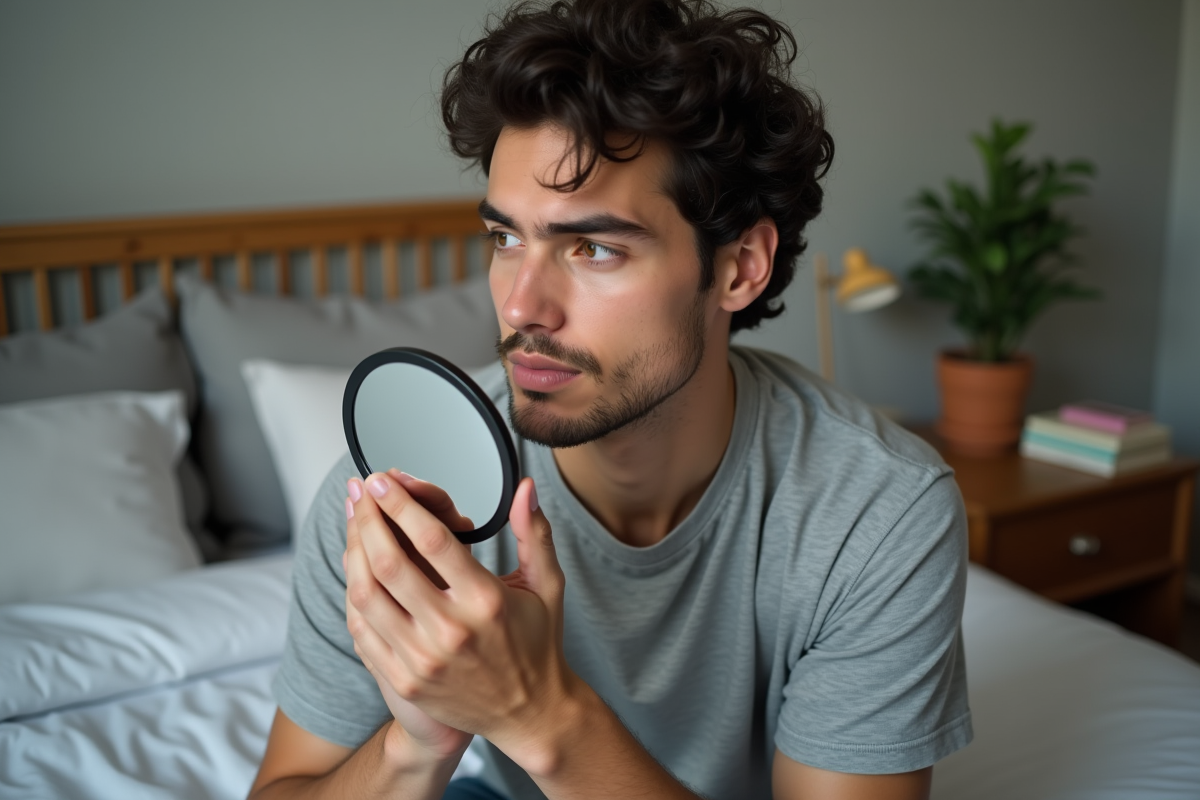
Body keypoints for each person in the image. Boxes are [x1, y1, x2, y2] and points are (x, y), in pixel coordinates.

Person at [248, 1, 973, 798]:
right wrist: (420, 742)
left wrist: (537, 712)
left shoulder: (879, 510)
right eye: (505, 239)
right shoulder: (403, 494)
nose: (522, 306)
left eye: (592, 248)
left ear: (738, 268)